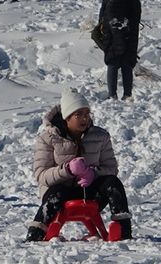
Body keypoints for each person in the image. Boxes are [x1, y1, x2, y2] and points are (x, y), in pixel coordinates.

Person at [25, 88, 132, 241]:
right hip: (60, 195)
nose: (84, 119)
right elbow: (41, 175)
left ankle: (123, 231)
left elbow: (111, 168)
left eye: (87, 114)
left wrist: (93, 173)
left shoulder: (100, 136)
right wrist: (66, 170)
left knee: (113, 183)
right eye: (78, 115)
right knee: (56, 193)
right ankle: (35, 234)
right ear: (67, 118)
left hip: (90, 191)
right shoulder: (48, 138)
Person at [99, 0, 141, 101]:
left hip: (116, 31)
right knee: (121, 62)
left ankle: (116, 95)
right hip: (124, 32)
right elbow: (136, 14)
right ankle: (123, 95)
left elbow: (103, 14)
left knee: (116, 61)